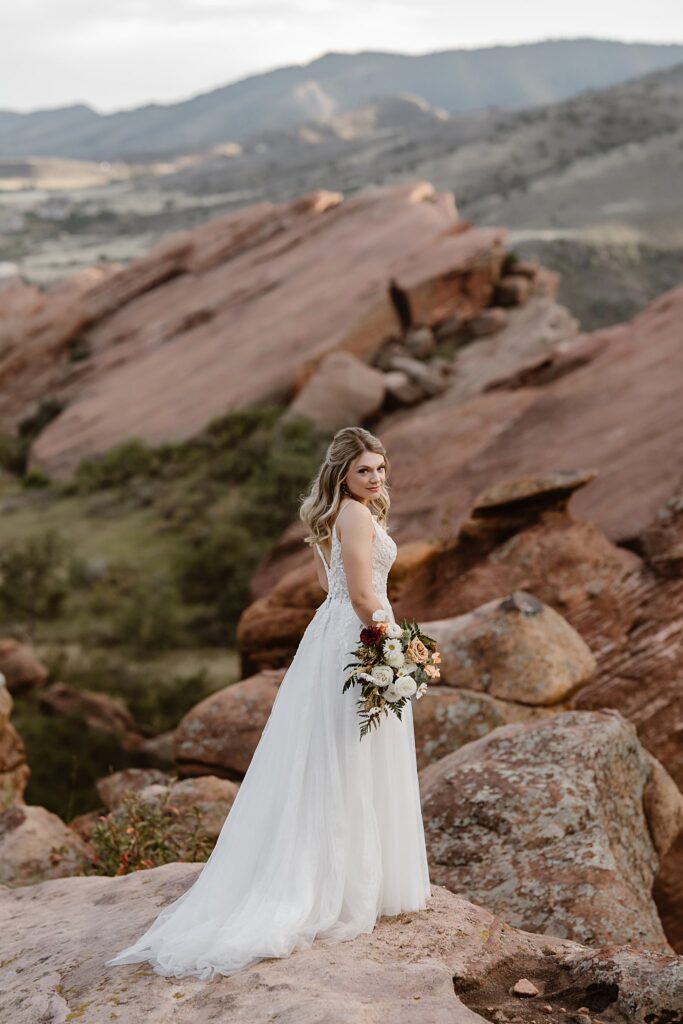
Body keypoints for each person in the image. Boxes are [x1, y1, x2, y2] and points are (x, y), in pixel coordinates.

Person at [105, 425, 431, 980]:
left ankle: (352, 878)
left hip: (340, 633)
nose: (376, 478)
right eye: (364, 470)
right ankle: (342, 885)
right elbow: (358, 593)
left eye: (380, 468)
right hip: (361, 633)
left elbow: (332, 586)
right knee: (350, 754)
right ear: (342, 475)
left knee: (340, 754)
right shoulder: (355, 515)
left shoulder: (342, 514)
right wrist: (392, 644)